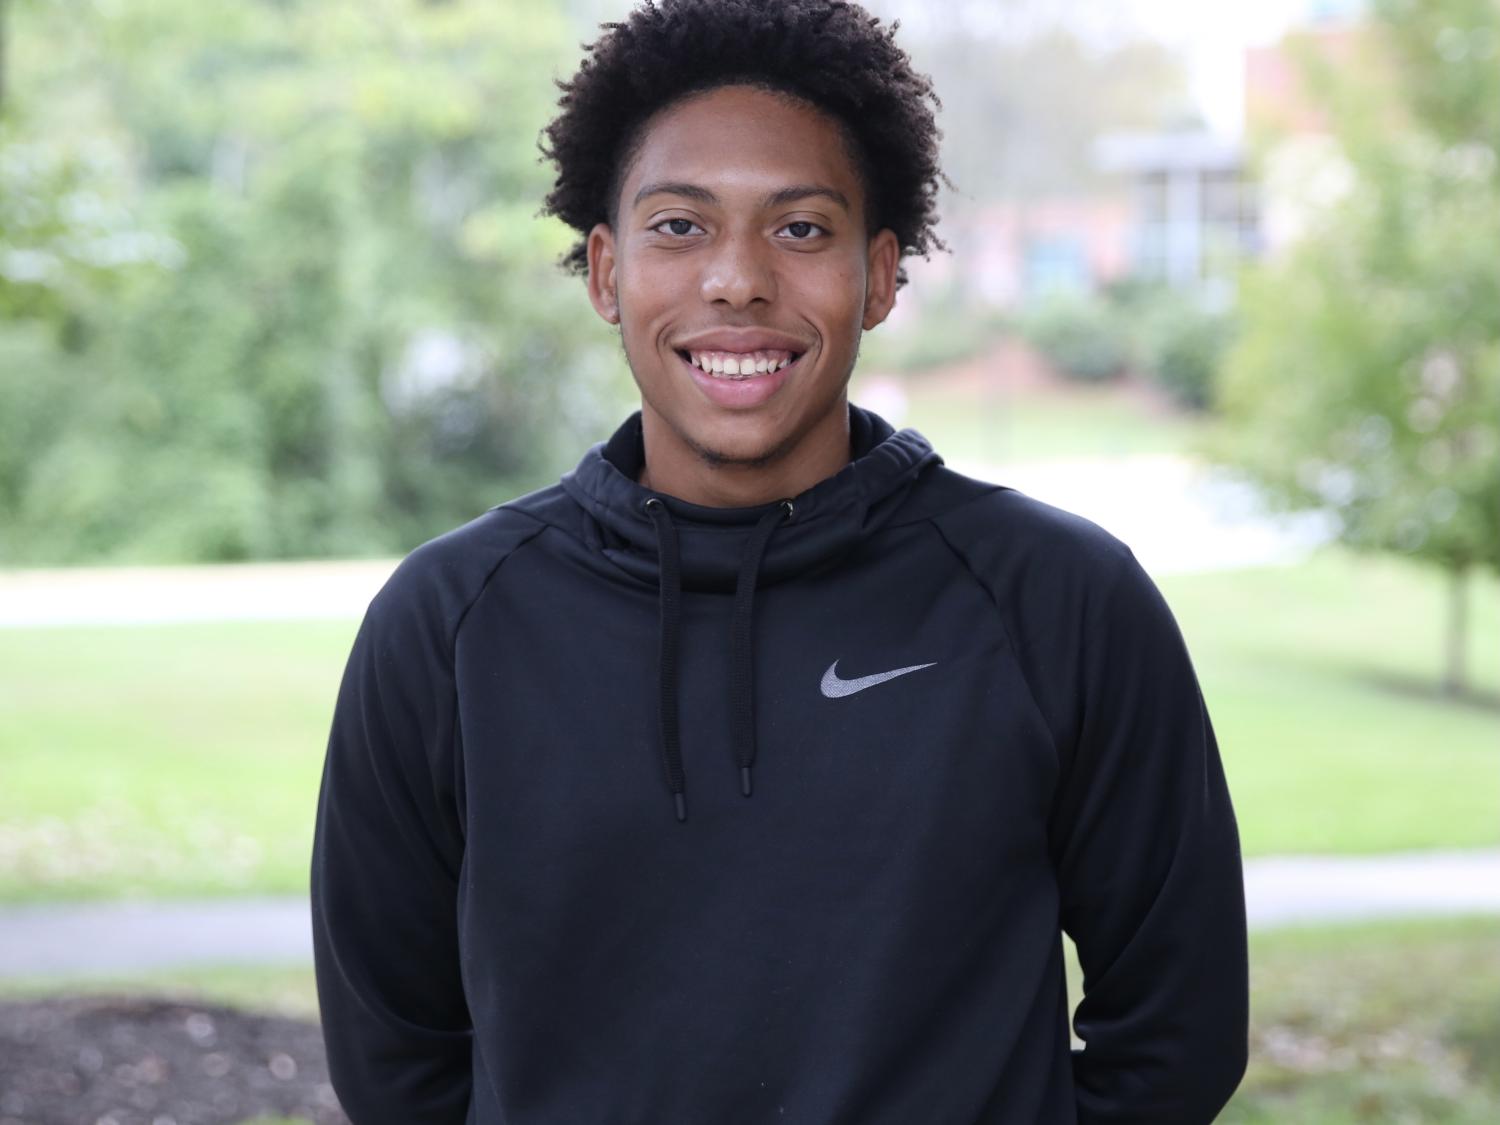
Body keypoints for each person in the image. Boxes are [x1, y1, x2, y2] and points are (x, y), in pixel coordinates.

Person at [308, 0, 1250, 1121]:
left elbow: (1176, 1031)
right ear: (605, 272)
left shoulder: (1060, 601)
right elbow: (397, 1061)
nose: (738, 280)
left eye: (801, 229)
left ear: (882, 275)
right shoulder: (448, 623)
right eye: (679, 226)